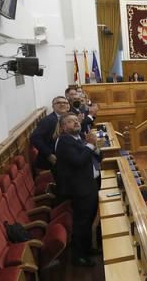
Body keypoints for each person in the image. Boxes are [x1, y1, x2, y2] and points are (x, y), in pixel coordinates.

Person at [55, 113, 101, 267]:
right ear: (63, 127)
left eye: (76, 120)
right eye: (70, 121)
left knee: (88, 220)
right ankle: (79, 256)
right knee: (81, 222)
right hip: (80, 189)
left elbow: (91, 157)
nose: (75, 122)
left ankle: (87, 249)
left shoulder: (78, 138)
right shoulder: (64, 141)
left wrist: (94, 147)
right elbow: (78, 161)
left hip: (89, 185)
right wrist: (90, 145)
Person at [30, 96, 71, 170]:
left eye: (65, 103)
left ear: (68, 105)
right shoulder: (48, 120)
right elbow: (34, 138)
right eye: (58, 103)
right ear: (53, 106)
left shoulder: (67, 118)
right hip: (51, 162)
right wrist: (48, 154)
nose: (62, 104)